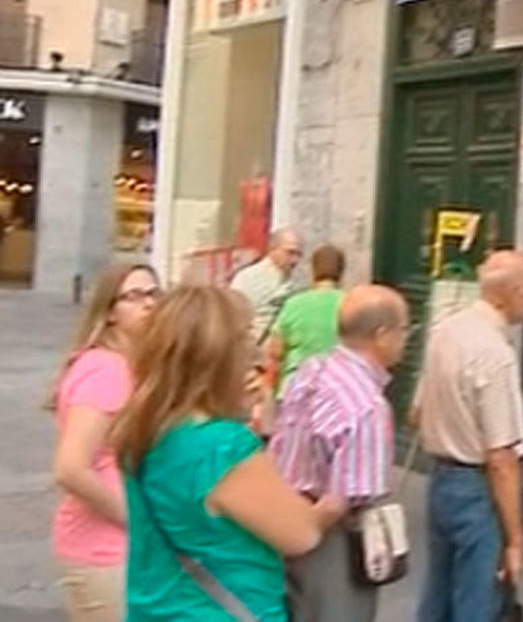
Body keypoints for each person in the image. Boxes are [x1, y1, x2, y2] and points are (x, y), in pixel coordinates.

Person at [113, 285, 342, 620]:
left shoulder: (144, 430)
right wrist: (332, 505)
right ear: (219, 362)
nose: (257, 361)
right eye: (247, 350)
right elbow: (300, 534)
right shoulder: (223, 447)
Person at [270, 284, 411, 621]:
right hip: (332, 540)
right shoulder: (367, 407)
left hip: (288, 509)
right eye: (404, 329)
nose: (406, 339)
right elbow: (340, 501)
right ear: (382, 335)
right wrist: (295, 540)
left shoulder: (311, 371)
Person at [412, 250, 523, 621]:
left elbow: (416, 411)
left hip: (440, 476)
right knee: (477, 597)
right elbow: (502, 459)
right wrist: (515, 539)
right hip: (475, 483)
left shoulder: (445, 332)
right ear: (511, 292)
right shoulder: (495, 354)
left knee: (437, 590)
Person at [49, 263, 158, 622]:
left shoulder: (134, 366)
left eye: (154, 293)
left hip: (123, 549)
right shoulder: (107, 370)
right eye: (134, 296)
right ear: (110, 312)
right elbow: (71, 468)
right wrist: (135, 519)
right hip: (103, 550)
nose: (148, 304)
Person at [265, 244, 347, 398]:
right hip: (335, 389)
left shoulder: (294, 304)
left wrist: (269, 394)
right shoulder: (350, 304)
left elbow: (275, 353)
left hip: (295, 386)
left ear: (313, 270)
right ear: (341, 271)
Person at [230, 227, 302, 344]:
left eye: (299, 254)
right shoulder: (248, 278)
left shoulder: (293, 283)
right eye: (290, 253)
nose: (295, 260)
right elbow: (233, 318)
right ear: (272, 249)